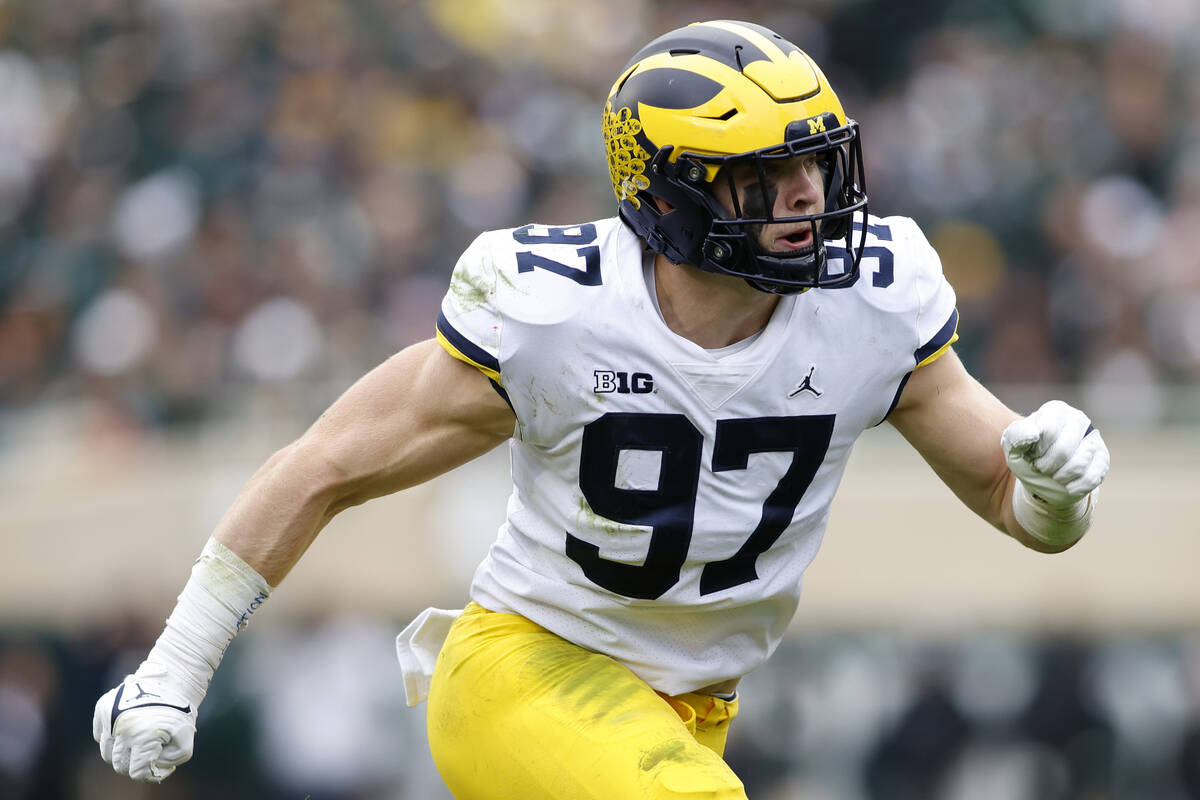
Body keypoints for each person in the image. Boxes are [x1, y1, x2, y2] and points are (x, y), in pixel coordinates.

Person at [93, 19, 1110, 798]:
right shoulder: (554, 313)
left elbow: (1000, 486)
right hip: (525, 673)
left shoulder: (875, 300)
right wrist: (175, 666)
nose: (809, 195)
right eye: (767, 175)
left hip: (688, 713)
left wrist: (1056, 496)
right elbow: (323, 465)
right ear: (670, 195)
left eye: (816, 162)